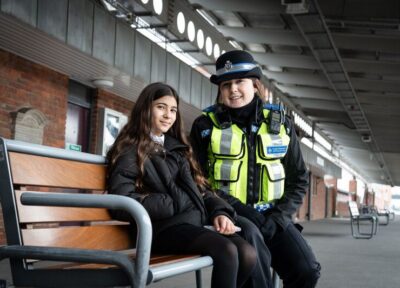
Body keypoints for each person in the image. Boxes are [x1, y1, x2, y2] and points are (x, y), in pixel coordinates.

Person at [190, 50, 321, 288]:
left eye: (240, 81)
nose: (233, 90)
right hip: (232, 218)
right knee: (254, 267)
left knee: (307, 270)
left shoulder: (281, 124)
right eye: (226, 84)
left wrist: (280, 217)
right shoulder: (204, 125)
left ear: (255, 84)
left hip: (275, 217)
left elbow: (299, 178)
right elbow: (200, 180)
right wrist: (241, 211)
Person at [106, 82, 257, 288]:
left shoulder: (177, 149)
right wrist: (175, 203)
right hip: (160, 229)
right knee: (227, 251)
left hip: (190, 223)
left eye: (173, 110)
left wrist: (219, 212)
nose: (168, 115)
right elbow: (121, 202)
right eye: (161, 107)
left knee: (247, 252)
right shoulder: (130, 149)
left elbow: (201, 188)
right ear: (145, 108)